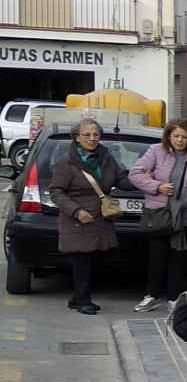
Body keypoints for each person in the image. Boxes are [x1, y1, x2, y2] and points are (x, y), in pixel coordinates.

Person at [129, 119, 187, 312]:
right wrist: (157, 186)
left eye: (184, 137)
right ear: (168, 136)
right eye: (176, 136)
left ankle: (174, 298)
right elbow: (135, 174)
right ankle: (151, 295)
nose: (179, 140)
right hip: (162, 214)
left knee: (179, 258)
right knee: (157, 257)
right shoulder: (155, 151)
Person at [47, 117, 126, 315]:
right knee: (82, 261)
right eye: (87, 135)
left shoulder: (106, 158)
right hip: (78, 220)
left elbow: (121, 179)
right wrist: (76, 211)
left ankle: (77, 299)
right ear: (76, 137)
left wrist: (148, 182)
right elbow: (56, 191)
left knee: (94, 260)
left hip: (100, 219)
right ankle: (83, 300)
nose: (92, 138)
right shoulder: (66, 163)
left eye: (96, 134)